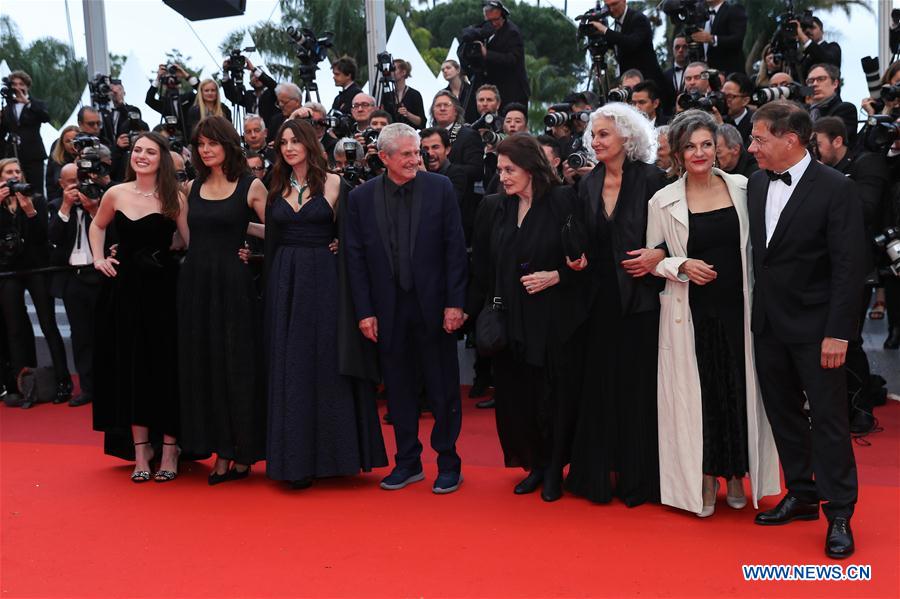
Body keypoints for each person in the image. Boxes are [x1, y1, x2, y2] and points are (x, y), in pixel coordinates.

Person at [645, 110, 780, 518]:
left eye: (707, 145)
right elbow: (653, 259)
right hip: (691, 314)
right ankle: (705, 476)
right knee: (701, 399)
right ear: (679, 153)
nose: (700, 153)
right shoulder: (662, 199)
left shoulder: (744, 187)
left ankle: (738, 473)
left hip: (740, 311)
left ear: (719, 149)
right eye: (691, 146)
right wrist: (681, 265)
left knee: (737, 392)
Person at [747, 100, 866, 559]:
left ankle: (839, 512)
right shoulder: (757, 184)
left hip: (818, 329)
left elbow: (848, 267)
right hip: (769, 325)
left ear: (790, 139)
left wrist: (839, 332)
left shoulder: (836, 188)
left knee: (830, 422)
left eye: (759, 138)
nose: (752, 147)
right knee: (783, 414)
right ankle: (801, 493)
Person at [344, 123, 468, 494]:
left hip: (434, 307)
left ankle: (449, 463)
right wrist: (364, 311)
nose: (418, 159)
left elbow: (455, 250)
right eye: (409, 154)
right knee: (397, 389)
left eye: (419, 152)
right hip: (387, 309)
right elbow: (355, 258)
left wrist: (455, 304)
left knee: (443, 388)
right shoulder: (361, 198)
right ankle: (407, 462)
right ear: (384, 158)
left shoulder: (440, 188)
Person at [263, 118, 388, 488]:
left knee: (327, 362)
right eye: (282, 142)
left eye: (294, 141)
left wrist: (335, 250)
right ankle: (294, 461)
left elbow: (349, 239)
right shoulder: (275, 186)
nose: (288, 148)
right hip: (286, 281)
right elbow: (270, 237)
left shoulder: (335, 183)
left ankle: (337, 456)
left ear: (308, 143)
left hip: (326, 281)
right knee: (293, 366)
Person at [469, 134, 587, 501]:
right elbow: (483, 265)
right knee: (517, 397)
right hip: (509, 317)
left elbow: (587, 259)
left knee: (552, 394)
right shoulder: (494, 207)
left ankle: (554, 467)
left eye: (510, 169)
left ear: (531, 168)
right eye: (500, 169)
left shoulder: (563, 200)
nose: (502, 176)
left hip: (552, 318)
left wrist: (557, 276)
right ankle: (535, 463)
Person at [565, 103, 667, 506]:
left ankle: (638, 480)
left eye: (604, 134)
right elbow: (581, 236)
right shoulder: (587, 184)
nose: (596, 141)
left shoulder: (652, 179)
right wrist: (576, 257)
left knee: (636, 388)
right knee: (600, 387)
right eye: (593, 135)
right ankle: (597, 475)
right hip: (597, 300)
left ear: (627, 136)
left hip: (641, 301)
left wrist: (658, 254)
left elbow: (677, 234)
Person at [90, 132, 185, 482]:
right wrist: (99, 259)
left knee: (165, 367)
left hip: (164, 291)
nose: (142, 156)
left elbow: (187, 240)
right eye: (137, 150)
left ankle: (171, 450)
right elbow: (97, 226)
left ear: (163, 159)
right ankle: (141, 451)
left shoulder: (175, 196)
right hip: (126, 291)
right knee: (132, 368)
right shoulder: (115, 193)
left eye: (150, 152)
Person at [176, 116, 267, 484]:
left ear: (228, 144)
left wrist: (250, 243)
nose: (205, 149)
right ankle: (219, 449)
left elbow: (278, 229)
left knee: (238, 367)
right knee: (205, 367)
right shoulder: (191, 187)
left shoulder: (252, 185)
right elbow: (184, 239)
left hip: (233, 285)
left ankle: (240, 452)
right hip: (195, 283)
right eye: (200, 144)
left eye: (212, 142)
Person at [812, 116, 889, 434]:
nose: (813, 152)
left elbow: (866, 209)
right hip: (822, 267)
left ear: (837, 141)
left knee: (850, 339)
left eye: (818, 144)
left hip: (856, 266)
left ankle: (861, 409)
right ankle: (836, 408)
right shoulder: (821, 173)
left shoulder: (866, 164)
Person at [0, 157, 71, 408]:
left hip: (38, 268)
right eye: (8, 172)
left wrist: (29, 211)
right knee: (15, 328)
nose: (14, 176)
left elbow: (45, 237)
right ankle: (21, 385)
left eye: (18, 171)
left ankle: (63, 381)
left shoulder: (37, 200)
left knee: (48, 324)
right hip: (8, 272)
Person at [47, 163, 105, 407]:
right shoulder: (56, 207)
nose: (77, 187)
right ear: (61, 184)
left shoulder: (103, 200)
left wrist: (93, 209)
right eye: (71, 182)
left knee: (104, 333)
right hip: (73, 278)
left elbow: (110, 234)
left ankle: (109, 385)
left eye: (80, 181)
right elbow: (53, 239)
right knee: (80, 336)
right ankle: (88, 387)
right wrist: (66, 206)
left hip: (101, 275)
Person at [591, 0, 671, 110]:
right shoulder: (617, 23)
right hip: (628, 86)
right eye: (608, 6)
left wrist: (605, 31)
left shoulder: (638, 19)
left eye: (615, 4)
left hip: (649, 85)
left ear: (624, 1)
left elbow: (631, 42)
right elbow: (615, 43)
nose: (612, 9)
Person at [463, 0, 529, 124]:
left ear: (503, 16)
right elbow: (467, 33)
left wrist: (487, 54)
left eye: (496, 20)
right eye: (490, 21)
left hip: (511, 90)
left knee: (509, 121)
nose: (493, 23)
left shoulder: (512, 32)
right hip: (490, 86)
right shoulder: (485, 29)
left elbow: (513, 59)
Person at [0, 71, 50, 195]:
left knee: (35, 189)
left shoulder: (36, 104)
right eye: (14, 84)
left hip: (33, 154)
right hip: (13, 154)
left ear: (27, 86)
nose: (17, 87)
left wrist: (27, 103)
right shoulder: (8, 107)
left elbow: (45, 117)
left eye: (21, 84)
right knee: (14, 189)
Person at [806, 64, 858, 147]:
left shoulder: (845, 109)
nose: (814, 84)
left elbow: (830, 144)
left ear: (835, 83)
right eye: (811, 81)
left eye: (821, 79)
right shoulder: (804, 112)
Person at [145, 63, 199, 140]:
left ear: (179, 83)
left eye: (174, 79)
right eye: (168, 80)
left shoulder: (189, 97)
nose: (171, 81)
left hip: (191, 137)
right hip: (171, 138)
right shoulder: (163, 102)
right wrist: (158, 78)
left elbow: (202, 90)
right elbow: (149, 100)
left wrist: (185, 75)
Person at [696, 0, 747, 76]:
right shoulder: (702, 14)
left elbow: (737, 40)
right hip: (706, 73)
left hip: (729, 73)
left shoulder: (734, 9)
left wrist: (712, 39)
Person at [222, 57, 278, 125]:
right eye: (252, 76)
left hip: (271, 132)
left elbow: (273, 85)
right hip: (253, 133)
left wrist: (253, 69)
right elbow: (232, 96)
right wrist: (225, 72)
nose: (256, 78)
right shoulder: (248, 95)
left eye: (257, 75)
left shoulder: (272, 93)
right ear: (250, 83)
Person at [45, 126, 80, 204]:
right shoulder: (58, 160)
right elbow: (52, 183)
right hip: (61, 199)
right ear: (62, 144)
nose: (72, 144)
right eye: (68, 141)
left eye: (75, 140)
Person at [389, 59, 426, 130]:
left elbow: (421, 122)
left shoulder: (414, 95)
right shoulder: (388, 95)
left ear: (403, 72)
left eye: (394, 69)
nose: (391, 72)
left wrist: (408, 114)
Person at [721, 73, 754, 146]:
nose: (724, 100)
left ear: (745, 101)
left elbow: (742, 153)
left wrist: (721, 127)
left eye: (730, 96)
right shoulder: (720, 118)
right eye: (722, 95)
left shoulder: (754, 124)